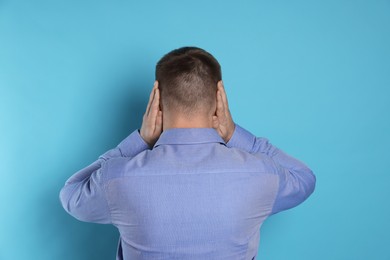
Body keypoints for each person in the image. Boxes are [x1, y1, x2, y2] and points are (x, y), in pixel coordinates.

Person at [59, 47, 316, 260]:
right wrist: (234, 134)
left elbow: (72, 195)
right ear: (219, 99)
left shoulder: (119, 177)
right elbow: (304, 178)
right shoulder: (261, 172)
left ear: (156, 101)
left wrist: (138, 141)